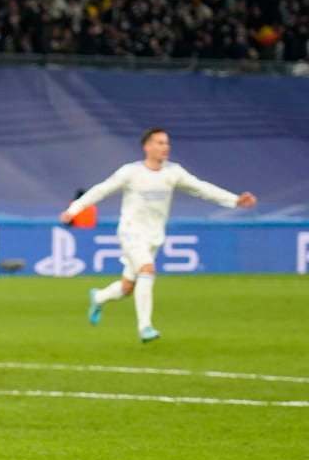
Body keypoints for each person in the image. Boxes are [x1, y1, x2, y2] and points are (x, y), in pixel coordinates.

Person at [60, 128, 256, 343]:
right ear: (147, 147)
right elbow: (101, 190)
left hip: (154, 237)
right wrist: (74, 209)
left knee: (128, 287)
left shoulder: (173, 173)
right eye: (160, 143)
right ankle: (145, 327)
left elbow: (201, 188)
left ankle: (98, 297)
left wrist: (235, 200)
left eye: (166, 143)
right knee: (147, 269)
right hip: (130, 231)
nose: (165, 147)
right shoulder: (131, 173)